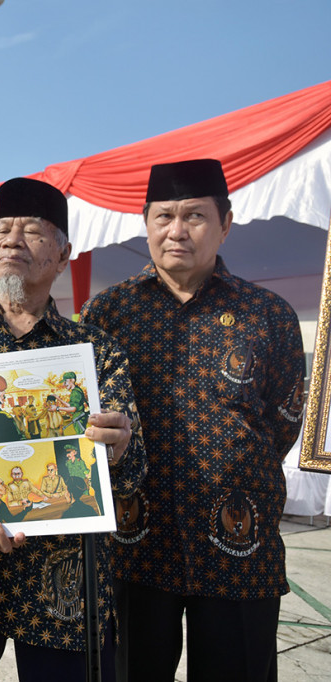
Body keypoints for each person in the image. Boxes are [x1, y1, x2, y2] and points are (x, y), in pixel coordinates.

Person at [0, 177, 147, 681]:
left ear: (63, 257)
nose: (12, 240)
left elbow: (131, 476)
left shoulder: (96, 352)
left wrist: (120, 446)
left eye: (32, 231)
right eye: (1, 230)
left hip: (61, 584)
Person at [80, 158, 305, 682]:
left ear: (225, 223)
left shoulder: (268, 315)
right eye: (163, 217)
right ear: (146, 221)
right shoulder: (106, 314)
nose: (176, 231)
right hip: (134, 550)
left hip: (238, 550)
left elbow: (282, 424)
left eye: (195, 217)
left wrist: (231, 469)